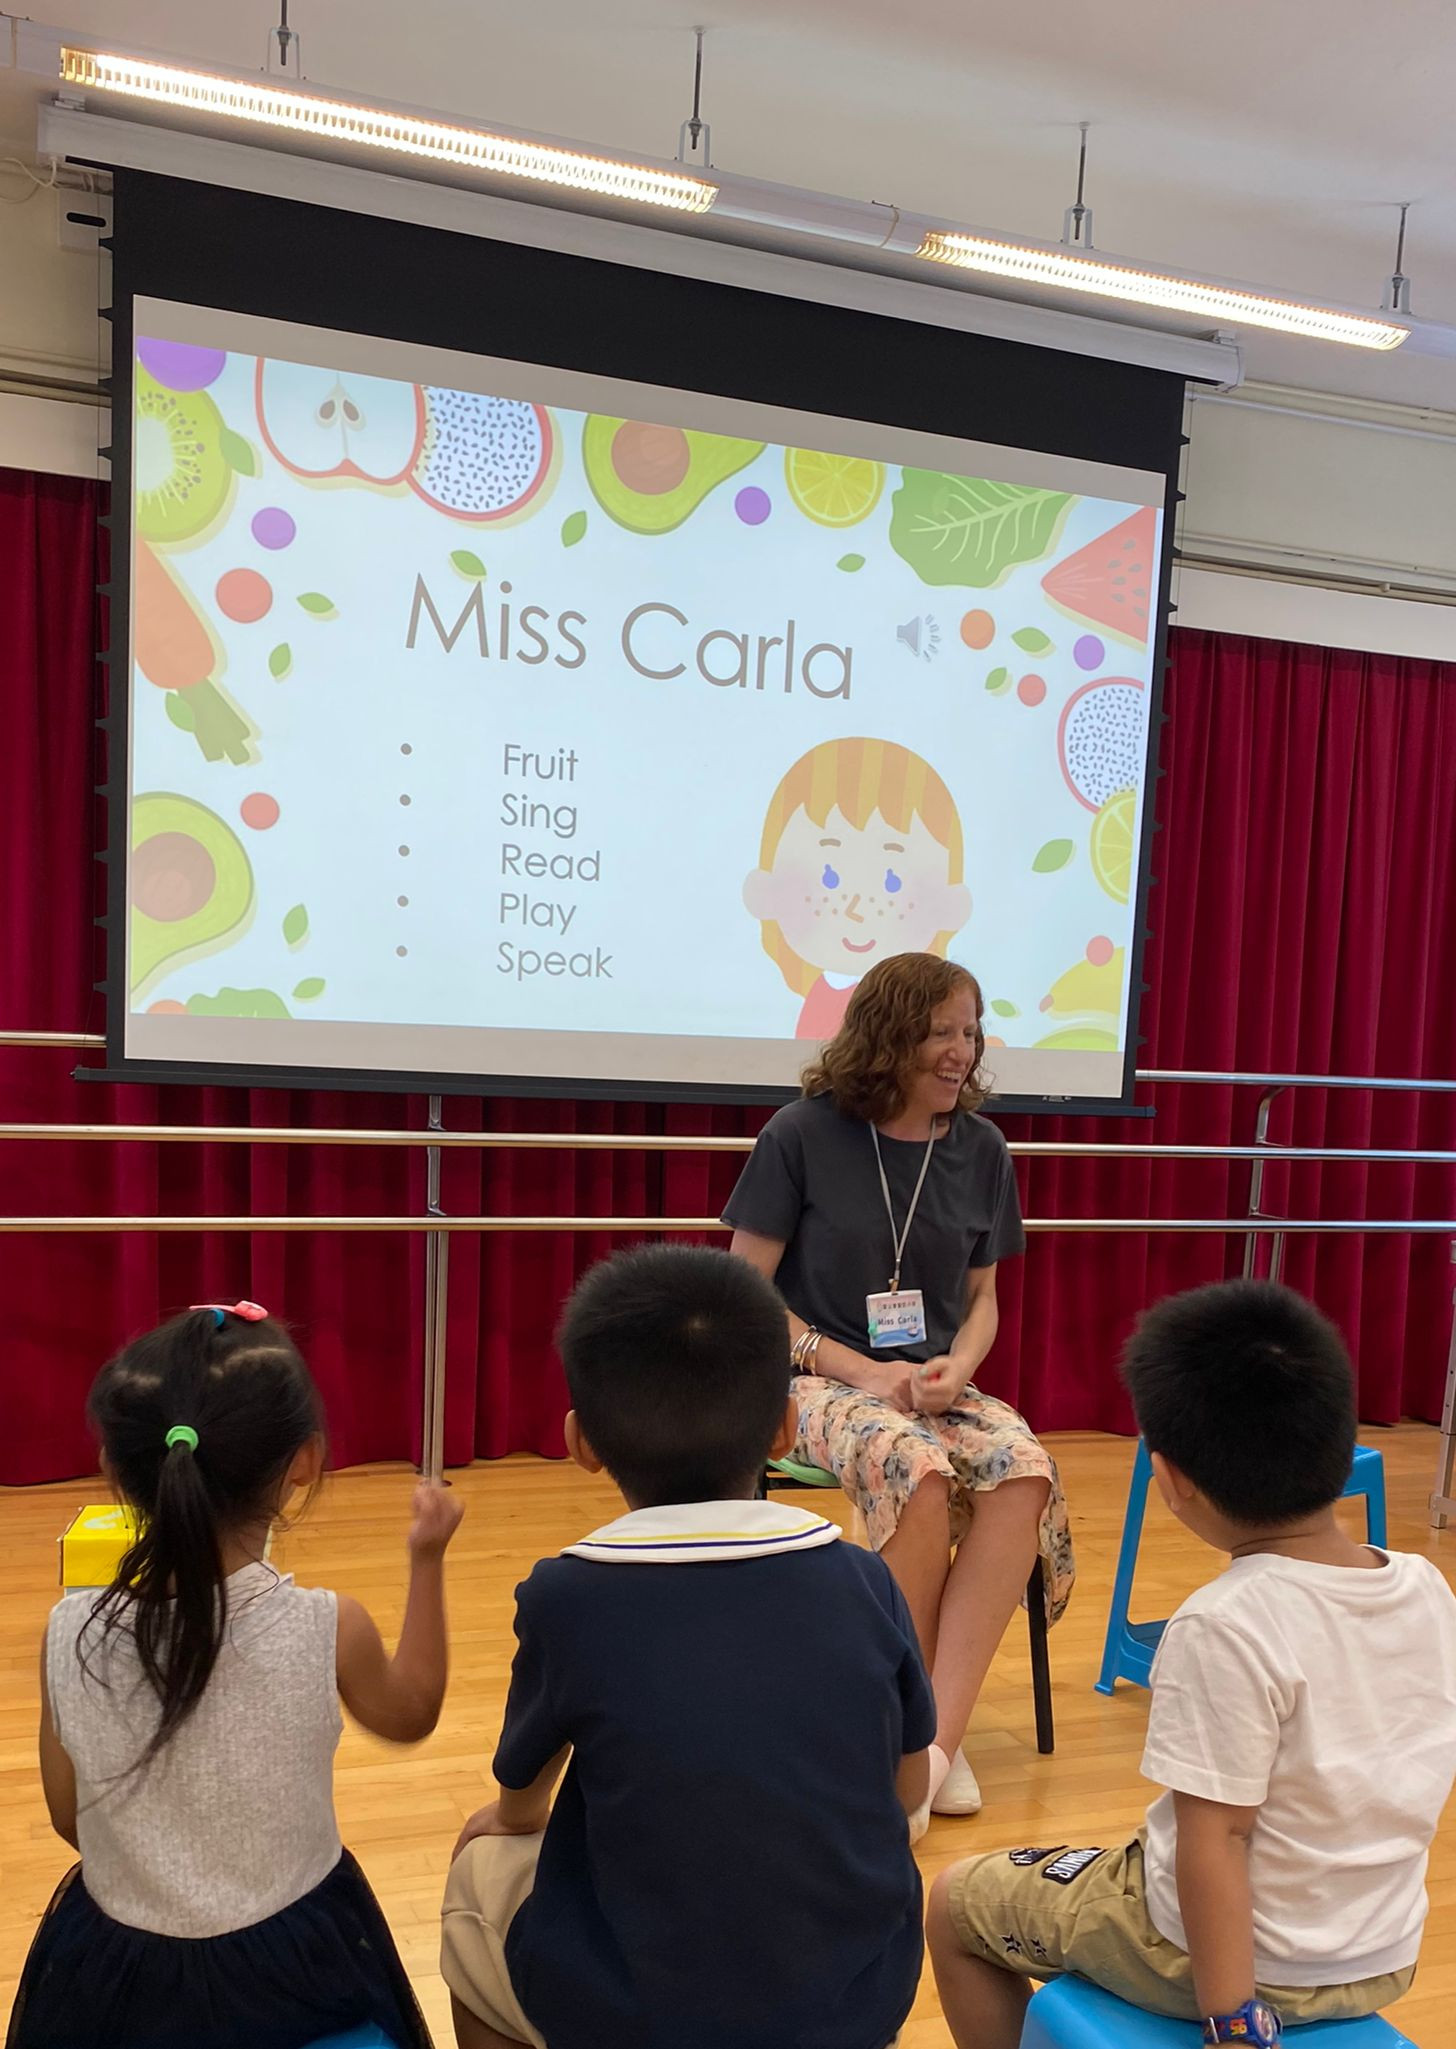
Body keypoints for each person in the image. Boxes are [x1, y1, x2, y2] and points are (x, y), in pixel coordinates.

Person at [928, 1279, 1456, 2049]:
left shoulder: (1223, 1621)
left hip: (1235, 1965)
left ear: (1171, 1480)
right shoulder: (1426, 1587)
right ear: (1343, 1444)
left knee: (955, 1904)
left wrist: (1235, 2025)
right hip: (1381, 1955)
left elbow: (1217, 1842)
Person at [441, 1244, 933, 2049]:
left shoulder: (566, 1594)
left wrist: (506, 1818)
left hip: (640, 2016)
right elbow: (908, 1788)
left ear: (581, 1442)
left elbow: (521, 1797)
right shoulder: (862, 1577)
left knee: (478, 1874)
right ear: (784, 1428)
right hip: (860, 1999)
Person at [10, 1300, 463, 2049]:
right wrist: (427, 1558)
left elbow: (68, 1816)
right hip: (297, 1966)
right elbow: (411, 1710)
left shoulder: (69, 1632)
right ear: (306, 1462)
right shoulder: (329, 1625)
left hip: (119, 1974)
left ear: (112, 1468)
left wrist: (169, 1876)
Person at [724, 950, 1073, 1824]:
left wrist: (960, 1367)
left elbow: (985, 1299)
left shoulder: (982, 1148)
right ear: (888, 1035)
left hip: (930, 1381)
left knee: (1023, 1467)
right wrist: (859, 1368)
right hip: (809, 1376)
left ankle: (933, 1743)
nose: (962, 1051)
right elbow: (743, 1293)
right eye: (940, 1032)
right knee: (915, 1467)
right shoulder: (800, 1134)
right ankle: (903, 1722)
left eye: (971, 1032)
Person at [742, 736, 972, 1039]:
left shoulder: (929, 1007)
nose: (857, 909)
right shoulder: (824, 995)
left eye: (892, 881)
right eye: (830, 877)